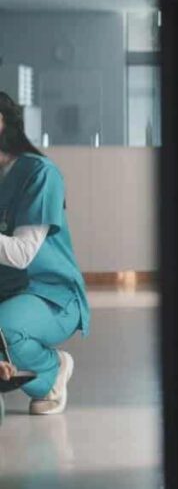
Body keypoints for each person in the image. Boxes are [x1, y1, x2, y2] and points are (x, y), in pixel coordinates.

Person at [0, 91, 88, 414]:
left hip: (50, 295)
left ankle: (52, 370)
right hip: (7, 290)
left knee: (4, 329)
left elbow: (22, 253)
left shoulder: (41, 174)